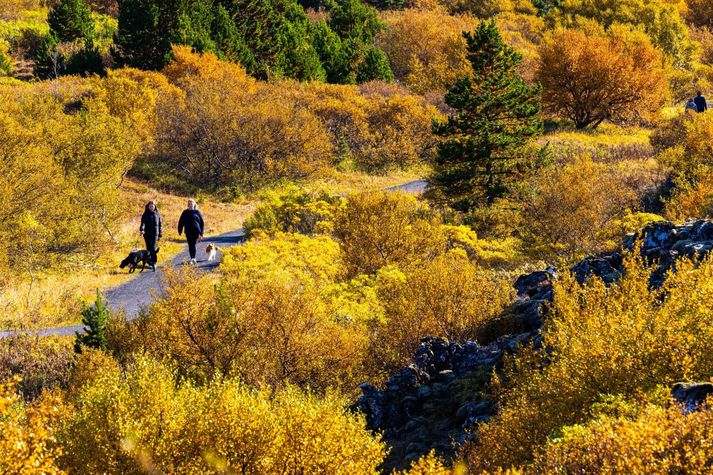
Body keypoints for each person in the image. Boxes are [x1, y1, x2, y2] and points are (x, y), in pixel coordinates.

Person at [178, 199, 204, 265]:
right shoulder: (185, 212)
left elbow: (202, 223)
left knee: (193, 244)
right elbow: (181, 221)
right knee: (190, 244)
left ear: (194, 204)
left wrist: (201, 233)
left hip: (196, 231)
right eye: (189, 203)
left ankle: (193, 258)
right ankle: (192, 258)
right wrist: (180, 230)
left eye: (191, 203)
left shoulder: (197, 212)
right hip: (188, 231)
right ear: (187, 205)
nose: (190, 204)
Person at [140, 200, 162, 265]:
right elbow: (143, 223)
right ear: (148, 207)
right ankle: (149, 262)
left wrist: (160, 233)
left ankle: (154, 262)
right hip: (147, 234)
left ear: (155, 206)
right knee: (148, 248)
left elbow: (160, 225)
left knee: (153, 247)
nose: (151, 207)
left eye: (153, 206)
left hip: (155, 234)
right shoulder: (145, 214)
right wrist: (142, 229)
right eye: (150, 206)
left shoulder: (157, 214)